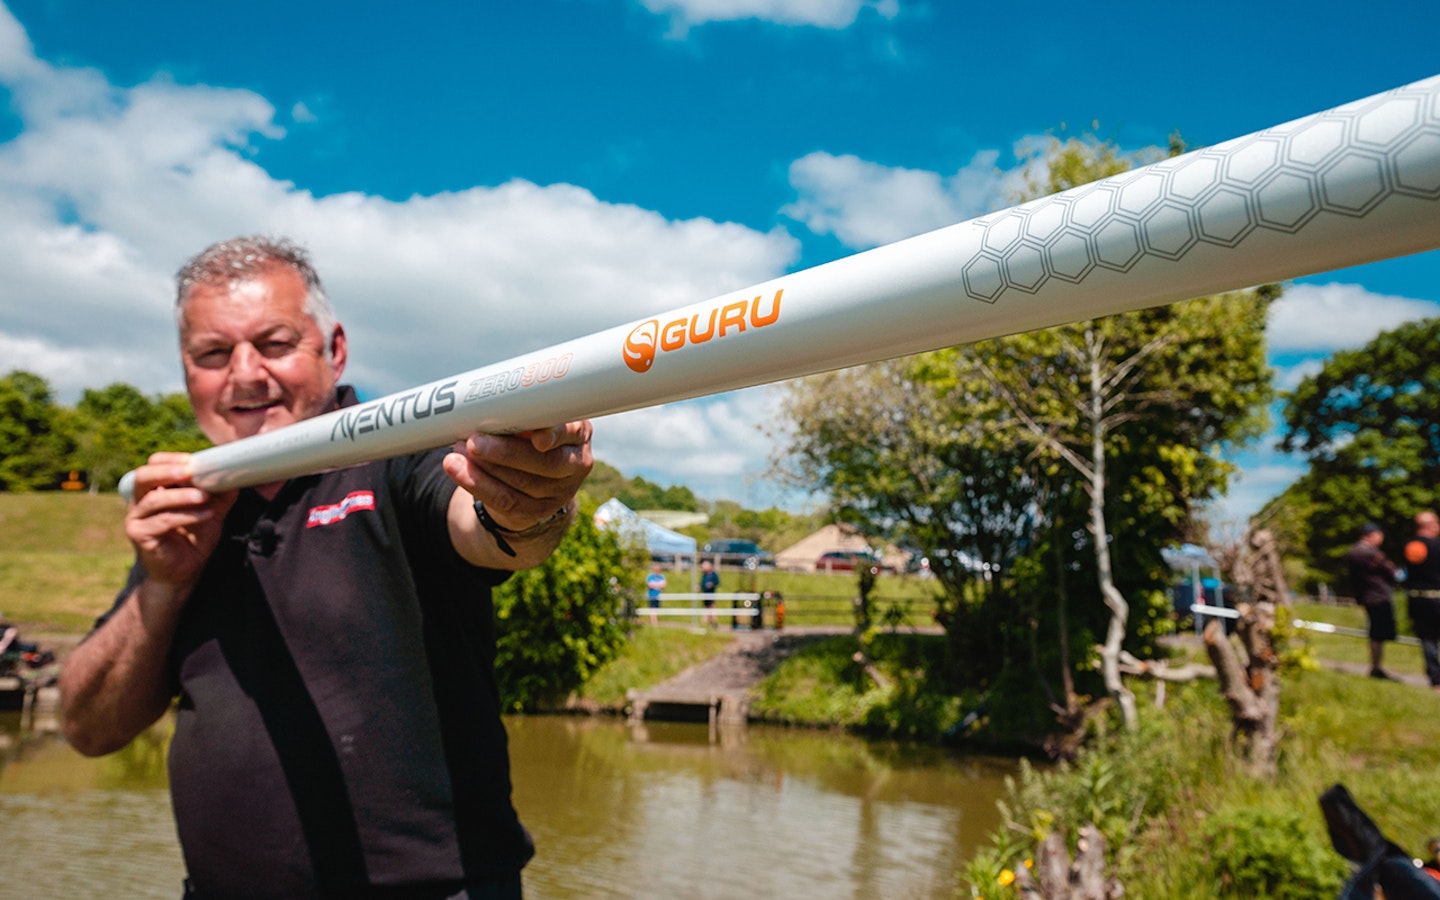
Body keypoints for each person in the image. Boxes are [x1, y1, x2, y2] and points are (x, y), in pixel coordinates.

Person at [58, 236, 593, 899]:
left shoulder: (398, 451)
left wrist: (527, 502)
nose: (246, 374)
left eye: (275, 344)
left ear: (333, 349)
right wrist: (163, 586)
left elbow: (490, 526)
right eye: (213, 355)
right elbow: (87, 729)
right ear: (187, 371)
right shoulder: (188, 511)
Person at [1343, 521, 1399, 680]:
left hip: (1367, 596)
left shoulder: (1352, 552)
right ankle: (1376, 668)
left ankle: (1376, 667)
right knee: (1378, 634)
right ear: (1371, 535)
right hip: (1378, 597)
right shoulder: (1370, 553)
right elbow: (1391, 571)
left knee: (1376, 633)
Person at [1404, 510, 1440, 693]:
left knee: (1428, 640)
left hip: (1416, 598)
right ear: (1431, 525)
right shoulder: (1436, 546)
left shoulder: (1410, 546)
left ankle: (1436, 681)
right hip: (1437, 597)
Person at [699, 559, 719, 627]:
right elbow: (702, 583)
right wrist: (700, 587)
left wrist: (712, 584)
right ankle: (705, 623)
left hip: (711, 594)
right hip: (705, 594)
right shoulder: (704, 575)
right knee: (706, 608)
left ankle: (714, 622)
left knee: (712, 608)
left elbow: (717, 582)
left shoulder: (713, 574)